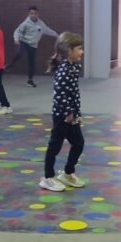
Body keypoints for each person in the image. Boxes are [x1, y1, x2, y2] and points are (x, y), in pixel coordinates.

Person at [39, 32, 87, 192]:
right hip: (63, 116)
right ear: (69, 50)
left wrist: (77, 114)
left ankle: (67, 173)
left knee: (78, 143)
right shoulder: (64, 70)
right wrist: (68, 113)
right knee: (54, 147)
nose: (82, 52)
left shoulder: (72, 67)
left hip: (72, 115)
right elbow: (59, 94)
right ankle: (48, 177)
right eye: (79, 48)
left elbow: (73, 94)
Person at [11, 6, 58, 87]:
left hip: (33, 45)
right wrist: (16, 39)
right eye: (31, 13)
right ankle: (12, 63)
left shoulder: (41, 24)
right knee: (20, 53)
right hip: (24, 42)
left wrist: (57, 35)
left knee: (32, 63)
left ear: (37, 14)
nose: (33, 15)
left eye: (35, 13)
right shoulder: (25, 23)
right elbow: (17, 31)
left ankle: (30, 80)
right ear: (29, 14)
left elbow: (48, 30)